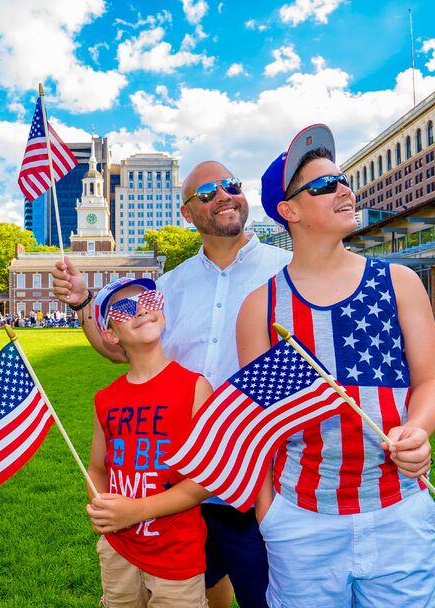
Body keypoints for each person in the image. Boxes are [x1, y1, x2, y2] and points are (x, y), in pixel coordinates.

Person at [55, 160, 292, 608]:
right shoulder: (167, 288)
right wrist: (86, 302)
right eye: (207, 193)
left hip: (259, 472)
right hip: (176, 478)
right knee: (199, 583)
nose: (223, 195)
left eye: (230, 185)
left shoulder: (287, 270)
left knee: (267, 592)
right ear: (187, 212)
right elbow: (126, 349)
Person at [235, 124, 435, 607]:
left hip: (399, 512)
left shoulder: (401, 282)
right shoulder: (260, 307)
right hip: (300, 520)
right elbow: (256, 425)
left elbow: (431, 382)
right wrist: (271, 515)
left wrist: (417, 430)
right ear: (289, 211)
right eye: (324, 185)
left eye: (343, 178)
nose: (345, 189)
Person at [87, 277, 213, 608]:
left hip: (176, 552)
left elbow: (206, 480)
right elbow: (97, 468)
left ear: (164, 314)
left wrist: (136, 511)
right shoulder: (106, 399)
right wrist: (104, 509)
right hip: (119, 550)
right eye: (125, 308)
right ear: (111, 334)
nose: (141, 309)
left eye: (150, 301)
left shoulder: (195, 387)